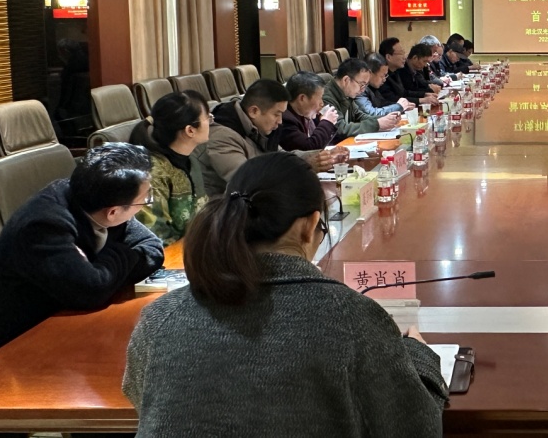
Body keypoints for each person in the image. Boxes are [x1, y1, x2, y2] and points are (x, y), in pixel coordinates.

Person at [123, 153, 446, 437]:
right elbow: (415, 427)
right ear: (309, 225)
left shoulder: (160, 317)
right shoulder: (351, 317)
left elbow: (147, 400)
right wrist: (419, 355)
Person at [0, 144, 164, 372]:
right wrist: (119, 258)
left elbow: (152, 247)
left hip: (57, 331)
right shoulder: (43, 225)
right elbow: (90, 291)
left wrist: (104, 264)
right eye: (144, 200)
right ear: (113, 212)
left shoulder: (101, 199)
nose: (144, 205)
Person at [200, 79, 337, 198]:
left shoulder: (257, 127)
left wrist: (319, 157)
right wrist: (304, 165)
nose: (280, 121)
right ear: (254, 111)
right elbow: (248, 181)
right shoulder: (222, 137)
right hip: (227, 211)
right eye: (276, 114)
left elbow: (281, 157)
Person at [129, 90, 212, 245]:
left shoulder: (192, 161)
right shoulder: (153, 173)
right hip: (168, 254)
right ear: (190, 130)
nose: (211, 122)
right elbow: (156, 235)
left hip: (195, 245)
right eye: (208, 118)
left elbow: (202, 213)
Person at [323, 58, 401, 137]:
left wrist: (386, 118)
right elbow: (340, 129)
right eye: (362, 84)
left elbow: (360, 116)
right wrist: (377, 124)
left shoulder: (347, 93)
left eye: (365, 85)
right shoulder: (325, 98)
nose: (363, 90)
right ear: (346, 80)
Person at [278, 72, 345, 151]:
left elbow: (329, 140)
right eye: (320, 98)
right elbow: (309, 148)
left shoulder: (308, 111)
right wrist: (327, 122)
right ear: (302, 98)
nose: (322, 103)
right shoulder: (285, 119)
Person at [359, 53, 416, 118]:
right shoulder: (360, 90)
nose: (384, 80)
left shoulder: (373, 87)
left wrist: (403, 106)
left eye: (386, 76)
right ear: (370, 73)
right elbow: (372, 113)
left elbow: (382, 104)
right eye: (382, 76)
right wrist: (399, 106)